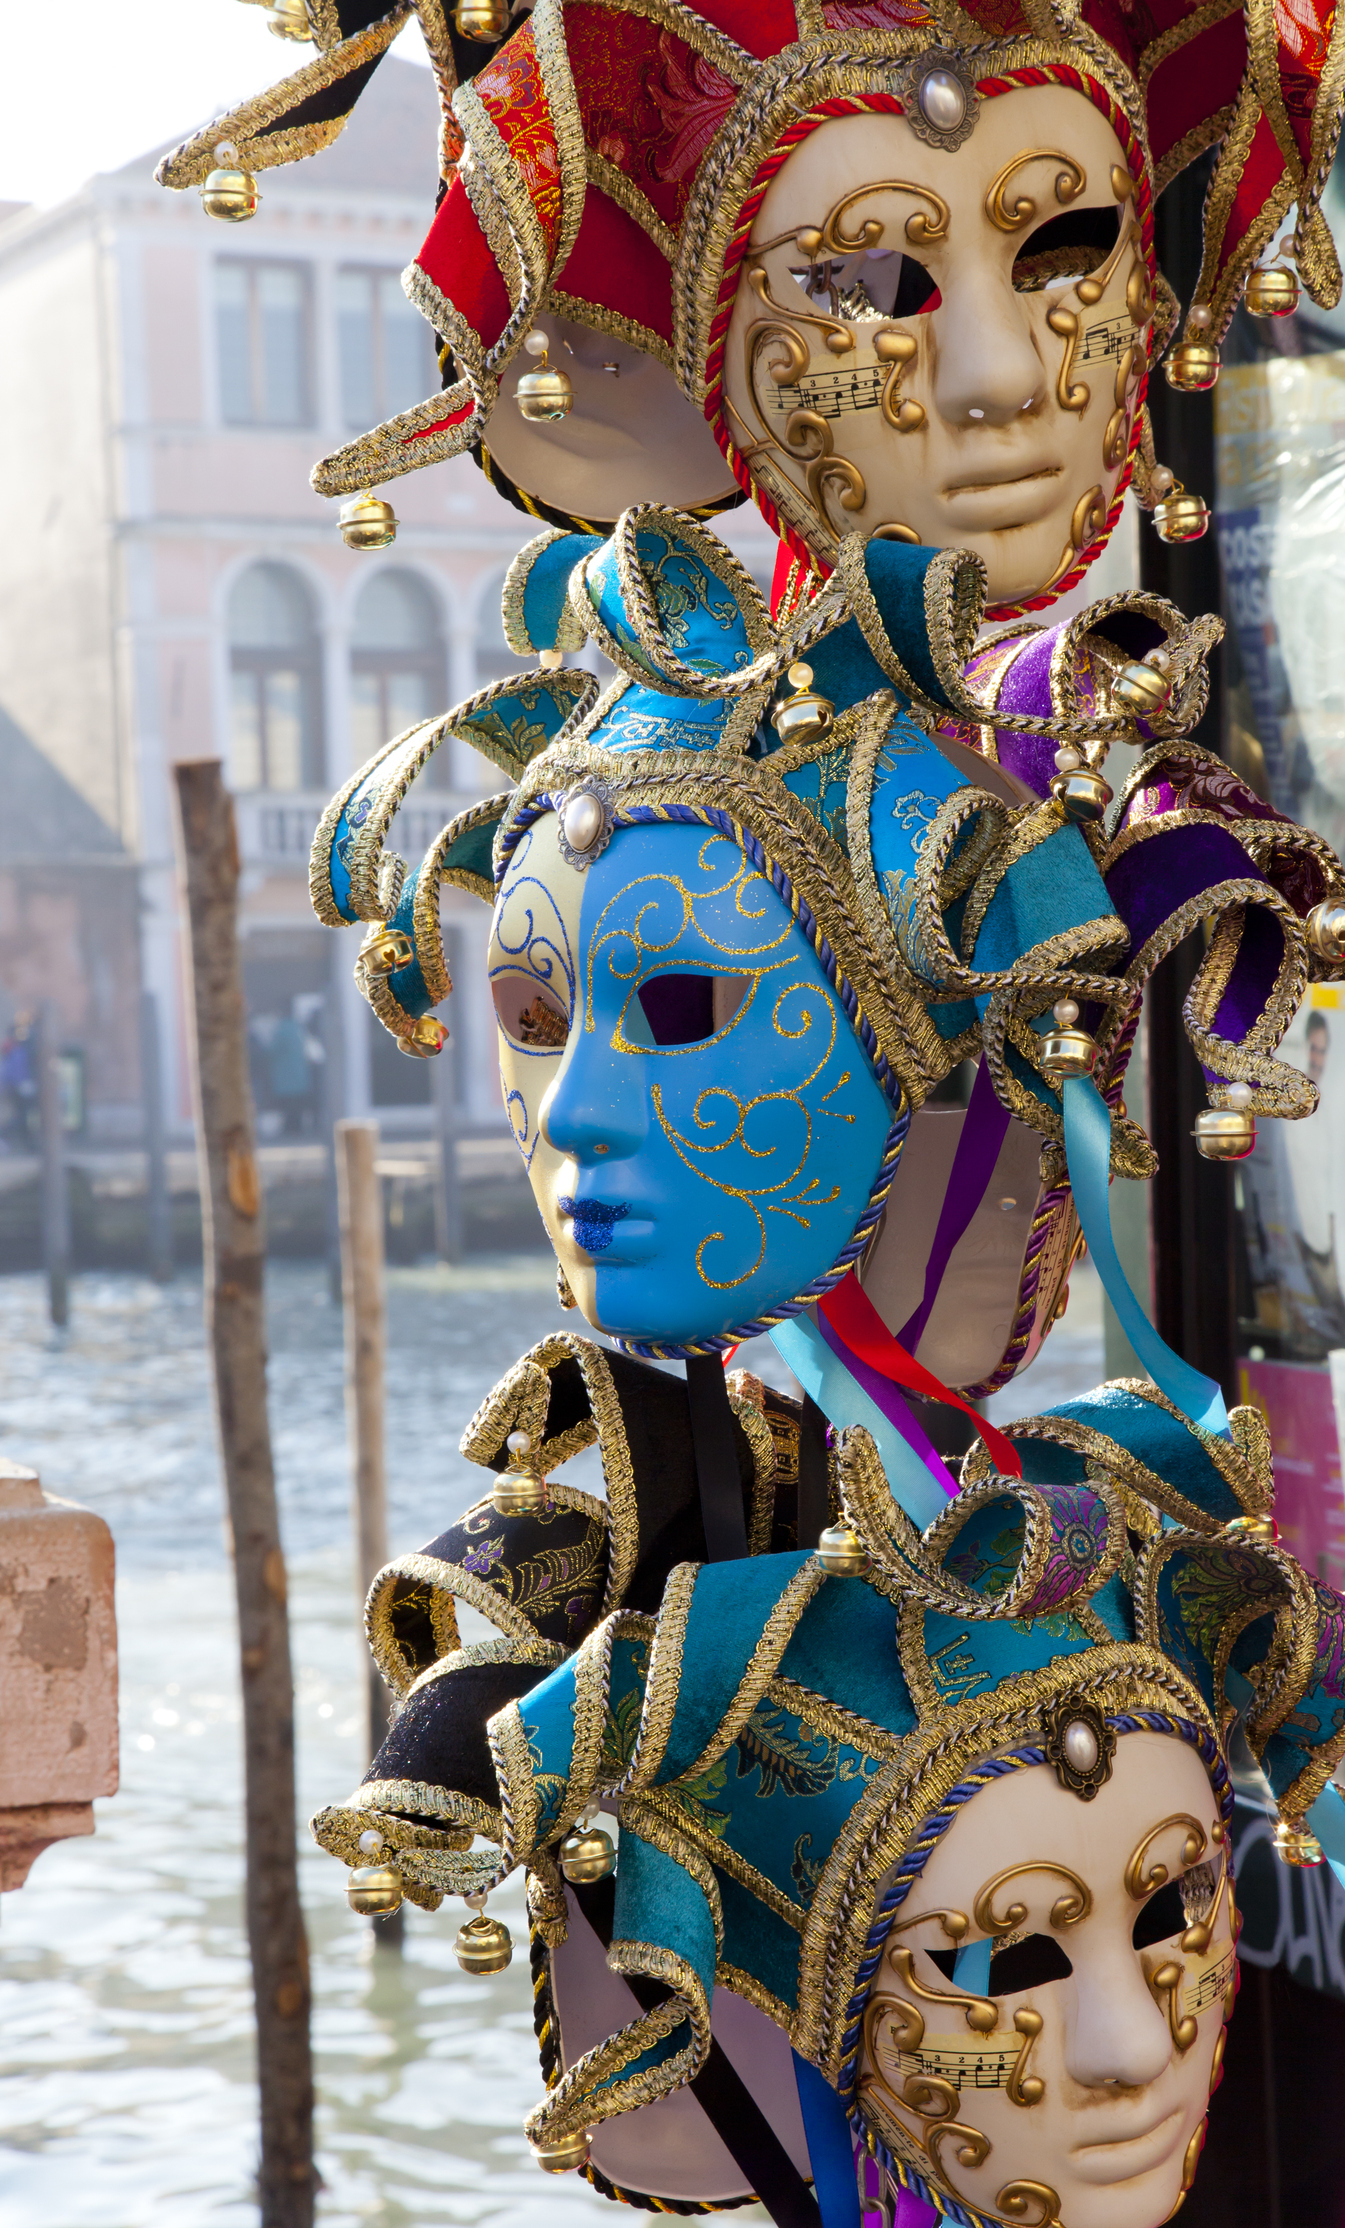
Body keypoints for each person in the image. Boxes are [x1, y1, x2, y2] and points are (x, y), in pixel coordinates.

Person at [167, 6, 1345, 2225]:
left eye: (687, 1007)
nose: (989, 379)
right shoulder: (666, 1527)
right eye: (535, 1013)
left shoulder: (1097, 1460)